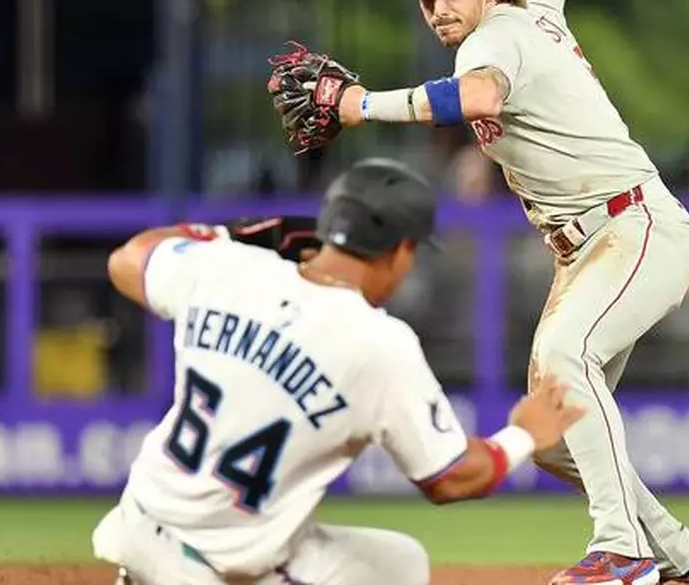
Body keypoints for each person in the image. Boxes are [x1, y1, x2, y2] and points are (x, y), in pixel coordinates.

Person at [273, 0, 689, 582]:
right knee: (554, 435)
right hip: (591, 246)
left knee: (568, 355)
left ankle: (622, 549)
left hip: (633, 227)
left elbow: (478, 95)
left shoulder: (495, 36)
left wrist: (361, 104)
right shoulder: (535, 2)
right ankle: (677, 550)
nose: (436, 10)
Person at [92, 158, 586, 585]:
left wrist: (229, 235)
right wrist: (523, 435)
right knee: (400, 568)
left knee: (390, 562)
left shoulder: (227, 268)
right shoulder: (376, 342)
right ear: (400, 251)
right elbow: (451, 478)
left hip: (137, 519)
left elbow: (127, 261)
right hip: (214, 568)